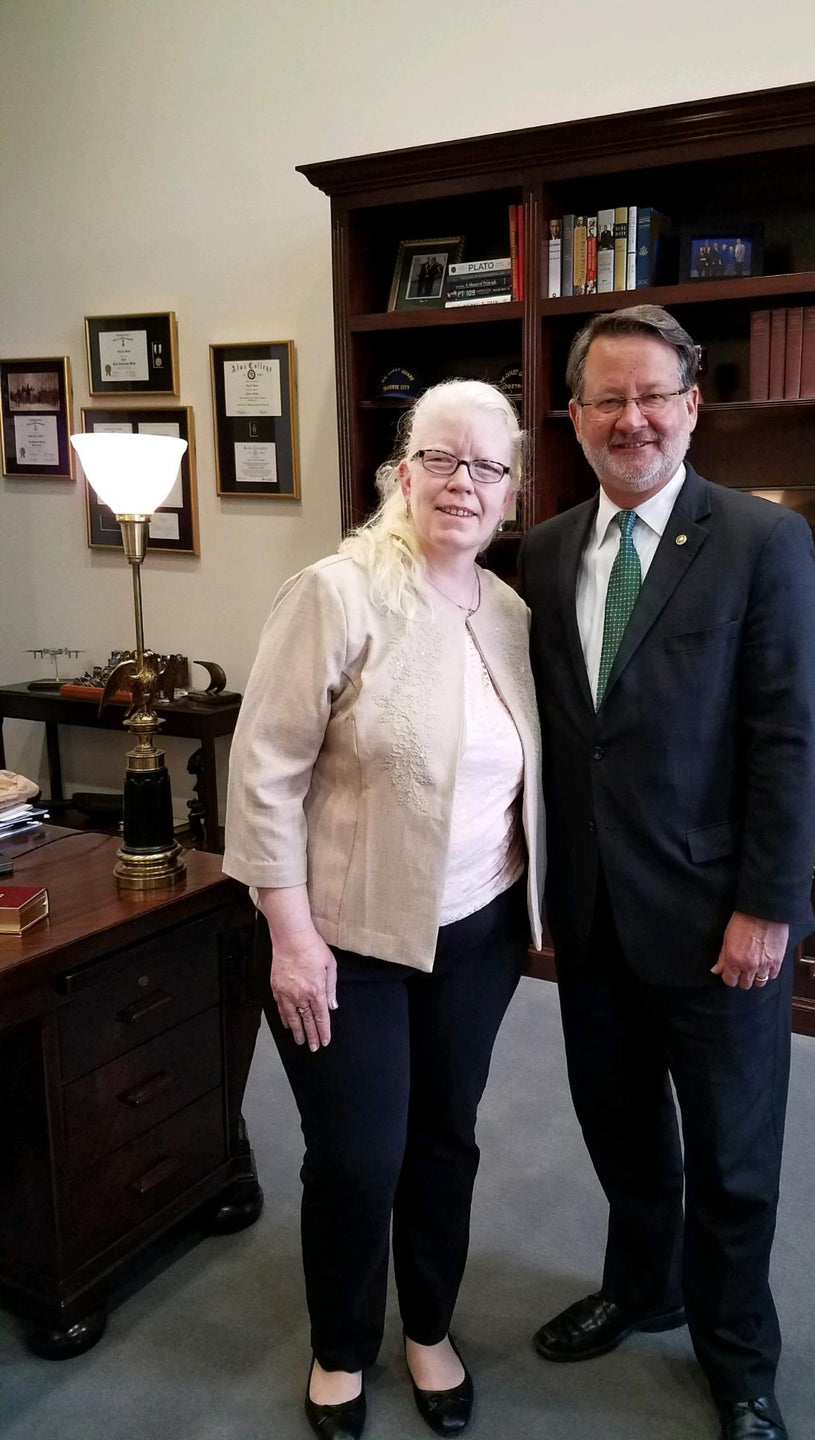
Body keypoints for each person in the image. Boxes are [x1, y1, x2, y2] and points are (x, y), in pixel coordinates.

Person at [518, 305, 815, 1440]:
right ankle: (639, 1285)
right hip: (593, 919)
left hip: (719, 926)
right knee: (622, 1133)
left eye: (655, 394)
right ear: (575, 414)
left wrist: (769, 908)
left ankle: (739, 1357)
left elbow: (790, 741)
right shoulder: (544, 551)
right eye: (609, 397)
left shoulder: (759, 541)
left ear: (693, 404)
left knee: (736, 1160)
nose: (632, 418)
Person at [223, 379, 545, 1440]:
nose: (462, 483)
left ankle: (431, 1328)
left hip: (479, 933)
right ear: (400, 472)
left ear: (511, 493)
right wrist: (291, 936)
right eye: (440, 459)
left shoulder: (507, 612)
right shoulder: (337, 592)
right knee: (360, 1155)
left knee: (444, 1140)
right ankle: (343, 1345)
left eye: (487, 467)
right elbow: (264, 771)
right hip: (343, 940)